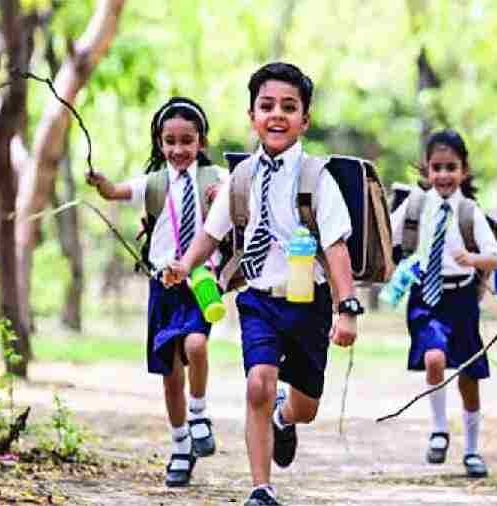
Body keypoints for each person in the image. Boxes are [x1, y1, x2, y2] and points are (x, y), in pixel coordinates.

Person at [165, 62, 362, 506]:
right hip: (259, 300)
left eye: (289, 107)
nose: (277, 115)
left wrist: (347, 307)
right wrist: (185, 264)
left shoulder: (317, 178)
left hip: (309, 302)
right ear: (252, 115)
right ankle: (261, 488)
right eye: (267, 105)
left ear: (305, 120)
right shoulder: (241, 178)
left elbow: (336, 247)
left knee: (306, 406)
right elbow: (211, 233)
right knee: (258, 384)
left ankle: (284, 418)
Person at [86, 97, 224, 487]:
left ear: (201, 141)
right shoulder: (154, 183)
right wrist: (101, 183)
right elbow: (115, 192)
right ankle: (180, 445)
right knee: (169, 373)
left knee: (196, 344)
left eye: (187, 140)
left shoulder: (216, 178)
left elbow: (240, 200)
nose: (179, 149)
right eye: (170, 141)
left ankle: (199, 415)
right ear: (160, 143)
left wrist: (222, 197)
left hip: (200, 281)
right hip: (163, 284)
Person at [390, 129, 497, 478]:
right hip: (425, 295)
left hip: (461, 298)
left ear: (463, 171)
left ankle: (471, 449)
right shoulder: (415, 205)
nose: (443, 175)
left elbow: (495, 257)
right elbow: (387, 236)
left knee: (469, 375)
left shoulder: (468, 212)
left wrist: (472, 258)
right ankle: (439, 430)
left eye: (451, 167)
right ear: (426, 169)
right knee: (434, 357)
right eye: (436, 167)